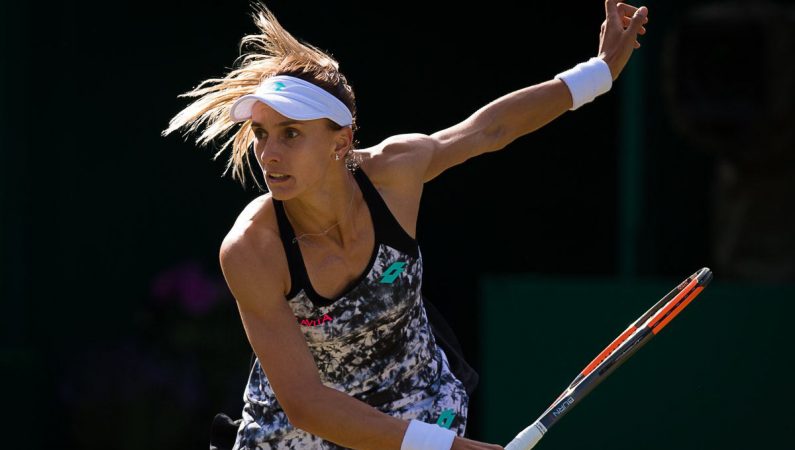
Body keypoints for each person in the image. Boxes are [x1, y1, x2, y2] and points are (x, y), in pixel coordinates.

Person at [162, 1, 649, 449]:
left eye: (290, 134)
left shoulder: (395, 171)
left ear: (341, 142)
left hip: (417, 401)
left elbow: (489, 129)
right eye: (261, 133)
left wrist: (599, 73)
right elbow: (306, 404)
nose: (268, 154)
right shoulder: (253, 249)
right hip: (296, 430)